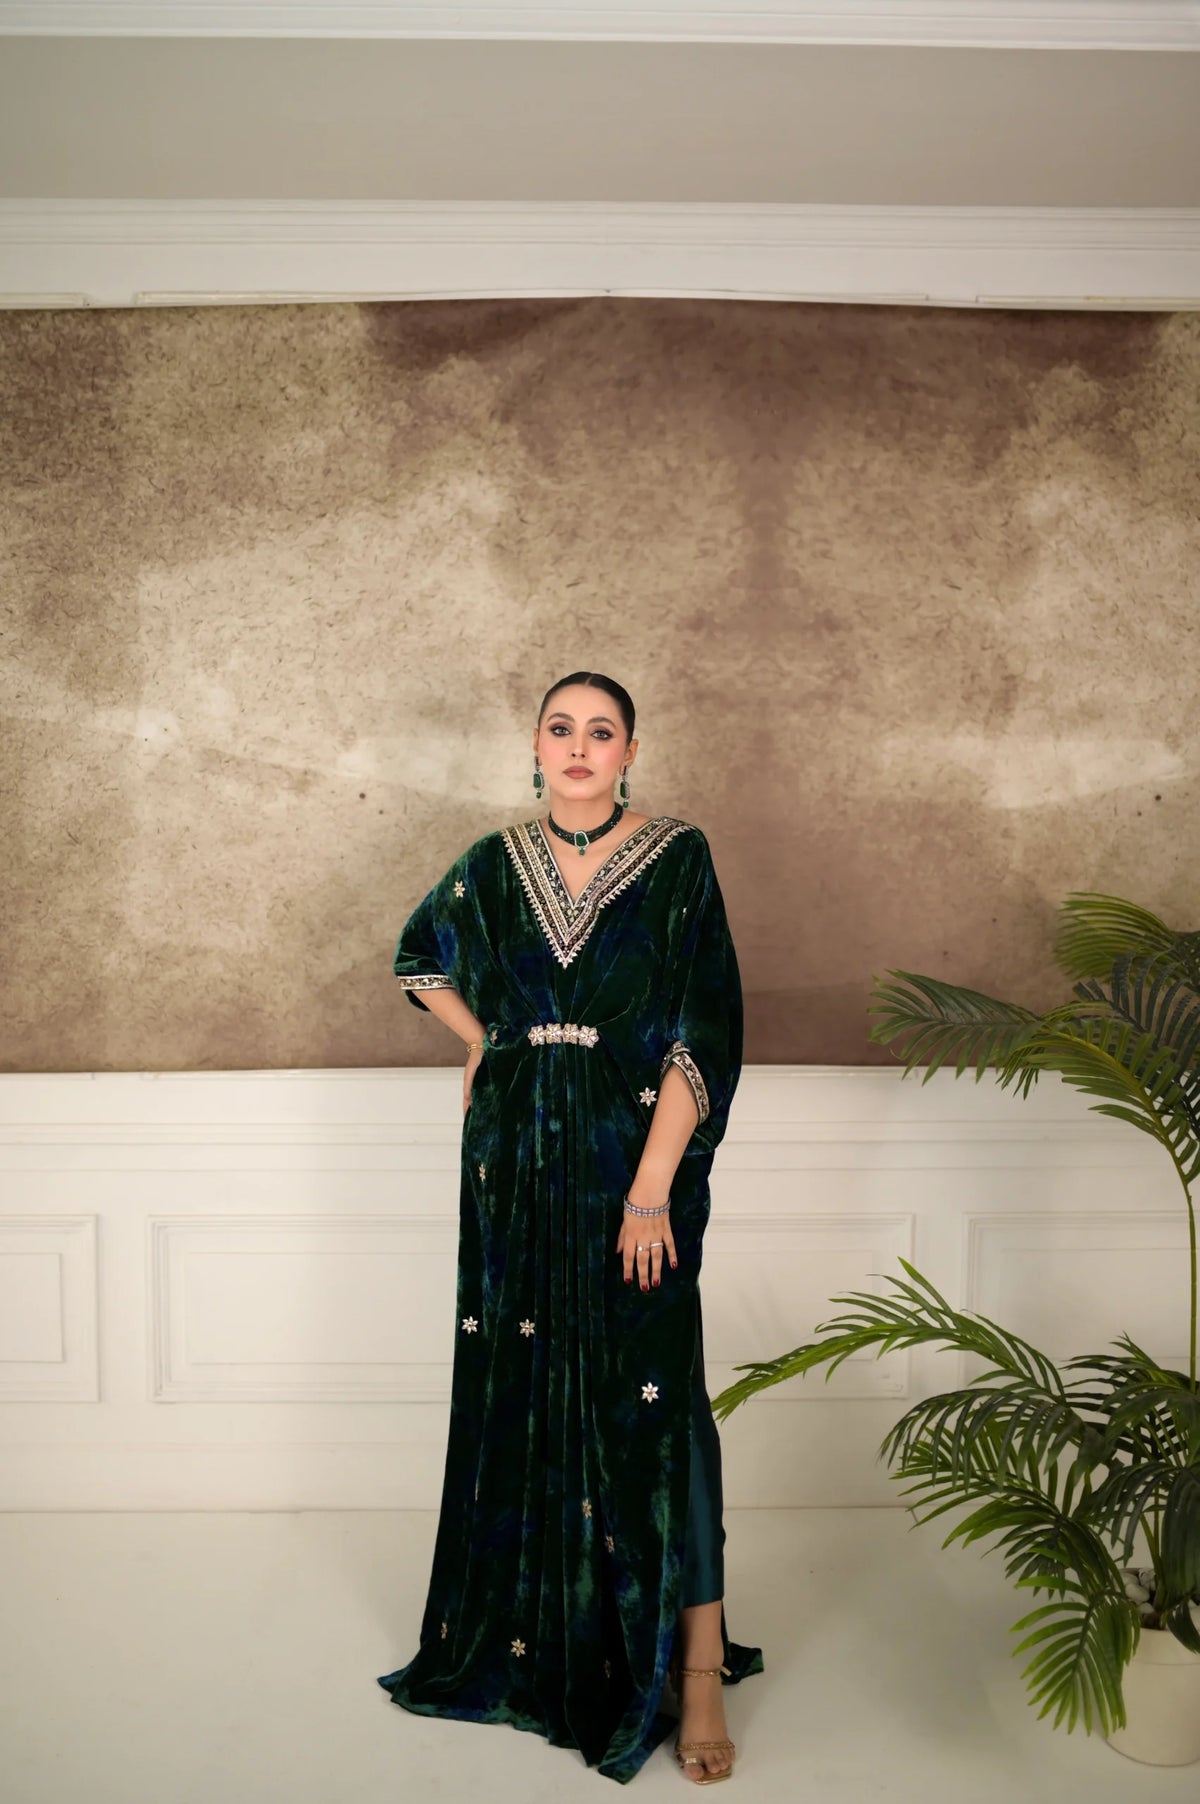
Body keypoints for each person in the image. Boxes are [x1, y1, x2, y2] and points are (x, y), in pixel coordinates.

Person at [376, 671, 763, 1784]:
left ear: (630, 749)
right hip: (516, 1166)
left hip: (633, 1164)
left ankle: (695, 1671)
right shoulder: (494, 864)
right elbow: (419, 955)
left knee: (662, 1410)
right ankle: (549, 1643)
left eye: (602, 731)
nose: (580, 746)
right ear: (536, 746)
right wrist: (482, 1042)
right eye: (562, 729)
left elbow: (704, 1029)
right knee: (530, 1389)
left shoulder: (678, 859)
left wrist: (651, 1192)